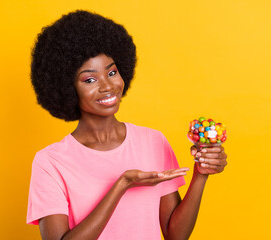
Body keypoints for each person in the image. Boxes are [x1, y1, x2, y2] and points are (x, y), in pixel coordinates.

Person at [26, 10, 227, 240]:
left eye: (112, 72)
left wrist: (201, 175)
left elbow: (175, 235)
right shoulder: (51, 162)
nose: (107, 86)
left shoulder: (153, 141)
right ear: (66, 88)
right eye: (90, 79)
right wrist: (123, 184)